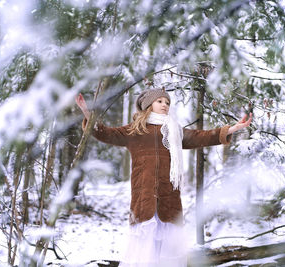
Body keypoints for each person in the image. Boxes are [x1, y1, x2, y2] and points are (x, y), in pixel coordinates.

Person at [75, 88, 252, 267]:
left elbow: (201, 136)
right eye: (160, 101)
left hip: (169, 200)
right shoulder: (135, 131)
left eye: (167, 102)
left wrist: (231, 129)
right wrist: (86, 111)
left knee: (168, 255)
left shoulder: (174, 131)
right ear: (148, 105)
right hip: (144, 200)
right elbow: (105, 132)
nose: (164, 105)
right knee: (144, 254)